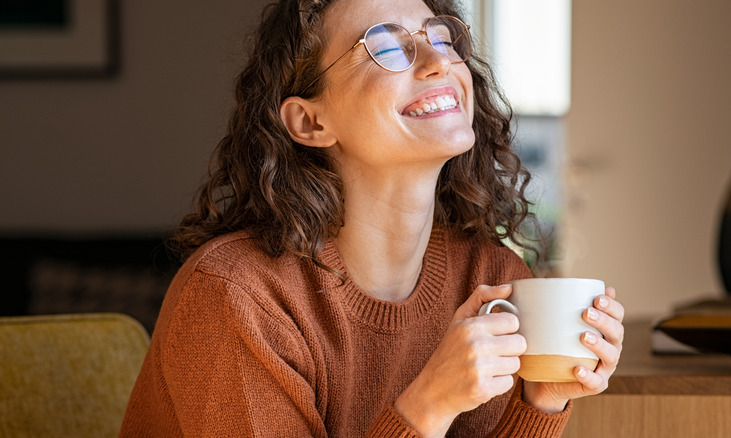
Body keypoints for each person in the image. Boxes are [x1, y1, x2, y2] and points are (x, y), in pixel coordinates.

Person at [120, 0, 625, 436]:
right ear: (310, 121)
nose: (436, 63)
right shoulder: (238, 299)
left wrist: (541, 401)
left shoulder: (492, 280)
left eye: (442, 38)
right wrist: (429, 405)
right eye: (385, 46)